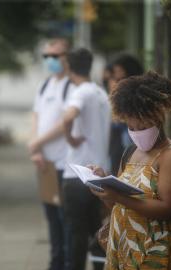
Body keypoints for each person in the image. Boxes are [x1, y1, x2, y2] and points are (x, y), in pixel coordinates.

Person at [90, 71, 171, 269]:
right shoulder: (130, 152)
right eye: (131, 127)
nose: (136, 133)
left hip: (153, 250)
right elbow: (118, 205)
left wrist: (118, 197)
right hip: (124, 245)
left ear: (158, 118)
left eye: (142, 126)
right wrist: (102, 187)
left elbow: (167, 210)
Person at [62, 48, 111, 270]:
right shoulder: (100, 93)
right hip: (100, 177)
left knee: (76, 236)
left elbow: (68, 116)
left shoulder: (80, 92)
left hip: (78, 175)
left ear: (68, 68)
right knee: (98, 233)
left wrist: (70, 139)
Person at [29, 38, 72, 270]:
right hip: (45, 164)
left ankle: (66, 264)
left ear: (68, 57)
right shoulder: (45, 85)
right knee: (52, 222)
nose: (50, 61)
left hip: (64, 164)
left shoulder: (72, 86)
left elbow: (65, 124)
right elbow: (36, 116)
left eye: (55, 56)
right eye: (47, 56)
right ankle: (55, 264)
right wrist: (35, 148)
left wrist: (38, 142)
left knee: (66, 222)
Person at [108, 54, 144, 175]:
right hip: (120, 139)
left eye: (119, 71)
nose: (117, 76)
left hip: (130, 139)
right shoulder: (119, 87)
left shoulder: (137, 91)